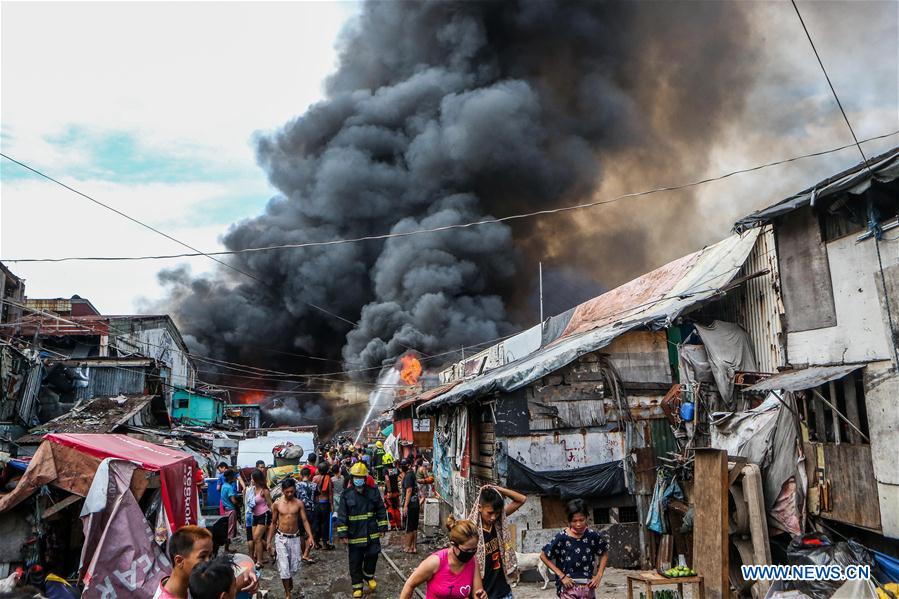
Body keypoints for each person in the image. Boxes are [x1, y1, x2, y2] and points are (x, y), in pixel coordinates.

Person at [335, 462, 389, 599]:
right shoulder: (346, 495)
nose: (358, 479)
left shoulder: (373, 492)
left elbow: (381, 509)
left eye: (360, 477)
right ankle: (357, 586)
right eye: (355, 477)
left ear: (365, 478)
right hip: (354, 534)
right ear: (352, 478)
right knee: (355, 561)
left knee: (373, 554)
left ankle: (368, 575)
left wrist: (382, 526)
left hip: (371, 532)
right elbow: (342, 514)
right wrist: (342, 533)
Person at [399, 517, 488, 599]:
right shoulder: (435, 562)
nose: (471, 553)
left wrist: (482, 596)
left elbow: (477, 593)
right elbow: (410, 584)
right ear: (454, 545)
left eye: (474, 549)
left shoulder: (473, 561)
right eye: (467, 550)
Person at [539, 499, 609, 599]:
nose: (578, 524)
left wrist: (599, 575)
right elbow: (543, 556)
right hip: (567, 587)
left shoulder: (592, 536)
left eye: (581, 520)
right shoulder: (562, 537)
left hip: (588, 587)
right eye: (574, 521)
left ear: (587, 517)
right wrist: (562, 576)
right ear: (568, 520)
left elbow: (604, 553)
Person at [468, 485, 527, 599]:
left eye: (497, 513)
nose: (493, 517)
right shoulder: (471, 529)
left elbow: (521, 499)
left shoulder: (499, 523)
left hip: (503, 590)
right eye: (489, 513)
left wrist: (497, 489)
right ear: (479, 507)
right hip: (482, 592)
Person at [268, 478, 315, 599]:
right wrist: (269, 541)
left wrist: (310, 536)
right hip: (281, 538)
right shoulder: (277, 504)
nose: (289, 494)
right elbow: (273, 523)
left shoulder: (299, 503)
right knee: (284, 568)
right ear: (283, 490)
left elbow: (304, 520)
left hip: (295, 538)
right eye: (287, 492)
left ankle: (289, 579)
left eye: (292, 492)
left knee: (294, 567)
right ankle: (287, 593)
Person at [154, 525, 213, 599]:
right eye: (202, 557)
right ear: (179, 561)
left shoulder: (189, 585)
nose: (209, 562)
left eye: (210, 556)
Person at [249, 469, 273, 568]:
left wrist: (275, 520)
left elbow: (271, 505)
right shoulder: (252, 489)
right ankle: (271, 549)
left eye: (252, 478)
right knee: (255, 539)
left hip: (264, 515)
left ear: (256, 479)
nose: (251, 480)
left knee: (257, 537)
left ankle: (259, 561)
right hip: (255, 515)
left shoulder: (264, 491)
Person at [295, 467, 319, 562]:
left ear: (301, 475)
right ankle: (306, 554)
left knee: (301, 534)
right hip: (312, 511)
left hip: (300, 511)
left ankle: (303, 553)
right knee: (311, 533)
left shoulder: (297, 485)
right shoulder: (314, 485)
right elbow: (316, 499)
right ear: (310, 475)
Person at [313, 463, 335, 550]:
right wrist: (331, 504)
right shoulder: (328, 479)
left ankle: (316, 542)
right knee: (325, 524)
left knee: (317, 523)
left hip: (317, 503)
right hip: (325, 503)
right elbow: (330, 493)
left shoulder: (314, 478)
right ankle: (325, 543)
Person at [400, 459, 420, 553]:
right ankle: (414, 547)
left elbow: (409, 490)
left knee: (409, 527)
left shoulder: (408, 476)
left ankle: (407, 547)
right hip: (415, 503)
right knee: (414, 527)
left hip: (411, 505)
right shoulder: (412, 474)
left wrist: (405, 506)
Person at [220, 470, 240, 552]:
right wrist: (238, 503)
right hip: (231, 510)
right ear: (230, 477)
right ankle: (227, 549)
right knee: (230, 530)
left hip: (225, 510)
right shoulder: (229, 487)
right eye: (233, 476)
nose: (235, 478)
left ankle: (226, 548)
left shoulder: (223, 486)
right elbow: (233, 500)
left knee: (227, 529)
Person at [384, 455, 402, 530]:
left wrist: (389, 491)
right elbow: (401, 475)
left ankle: (393, 525)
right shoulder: (395, 469)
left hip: (389, 492)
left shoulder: (385, 470)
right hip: (396, 492)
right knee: (396, 508)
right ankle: (399, 525)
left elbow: (387, 479)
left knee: (390, 508)